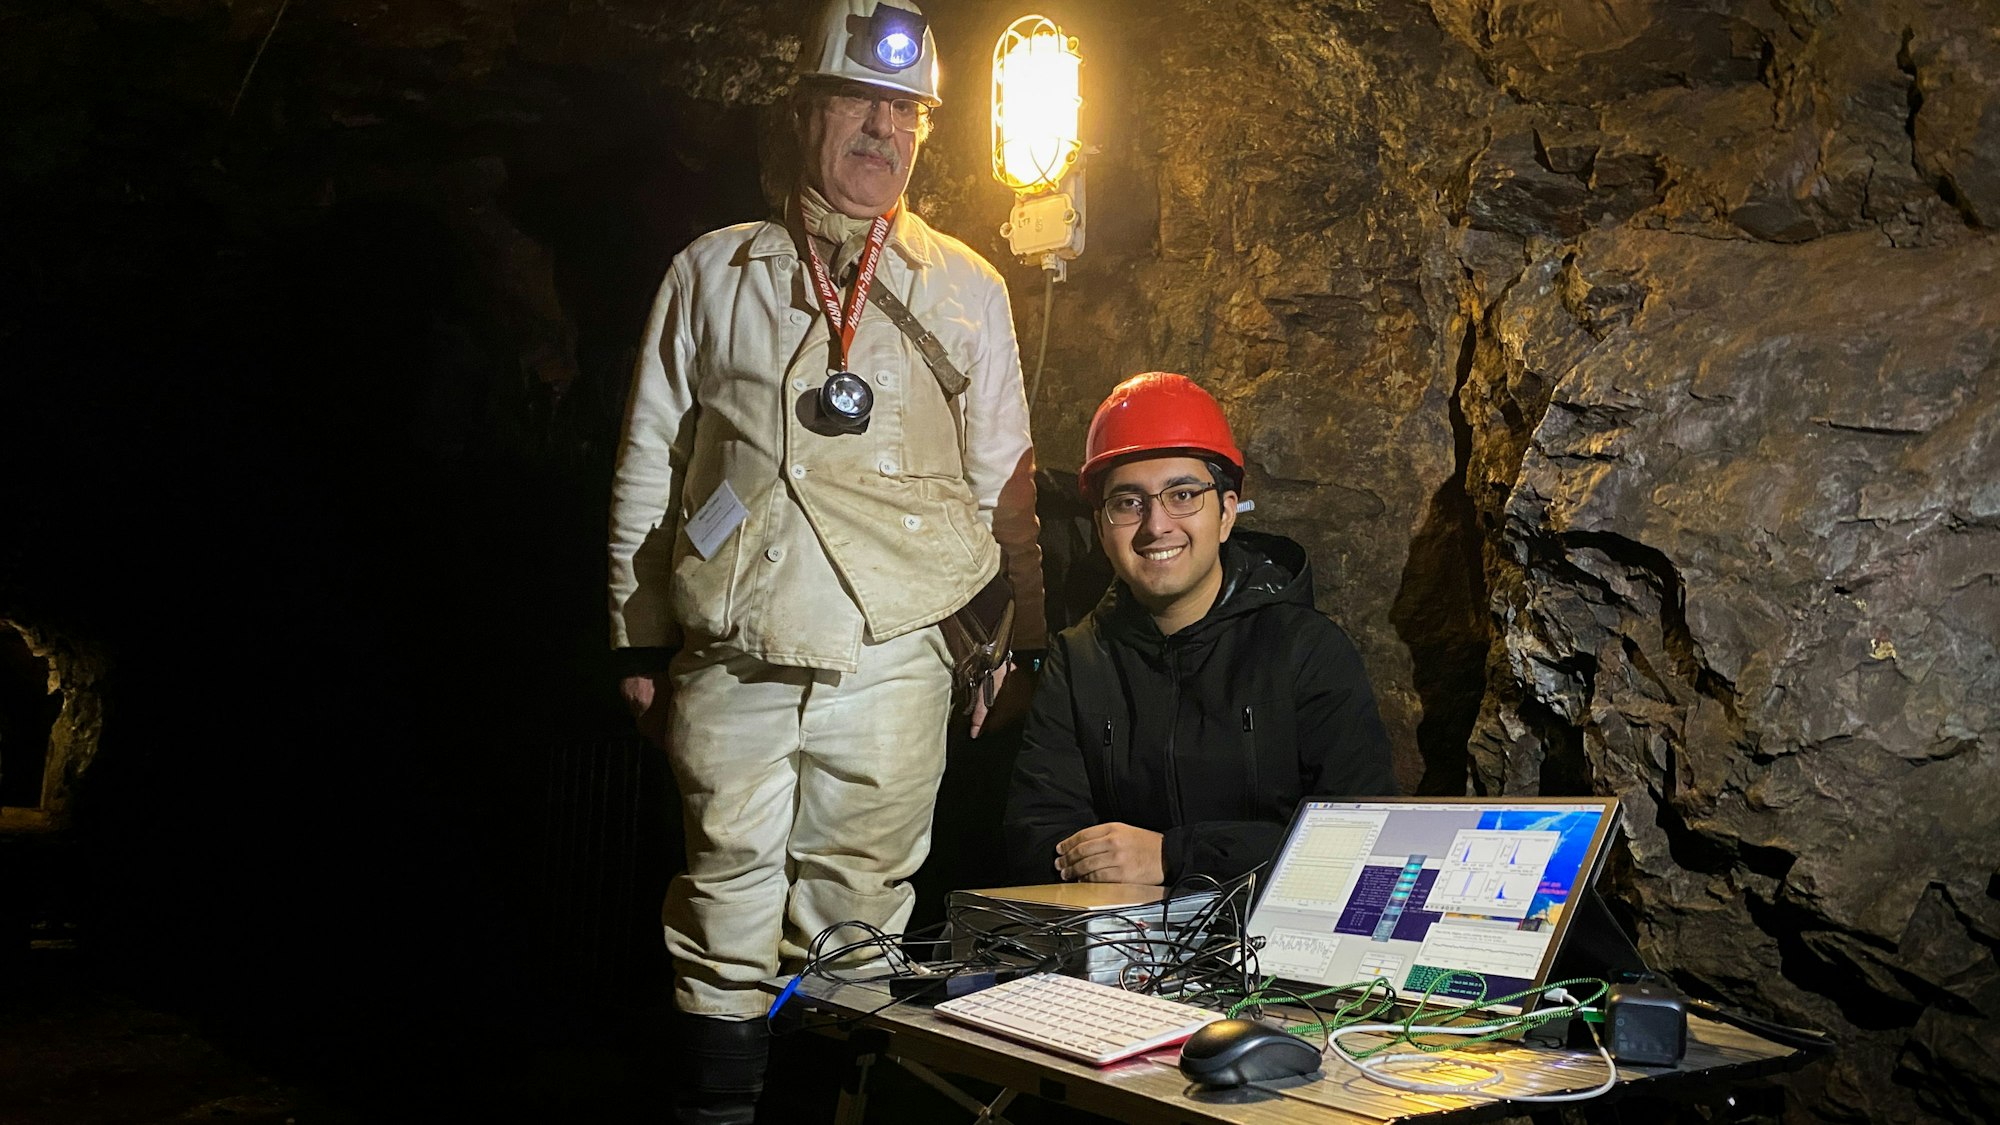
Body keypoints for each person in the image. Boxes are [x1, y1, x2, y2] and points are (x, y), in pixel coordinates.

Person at [606, 2, 1044, 1119]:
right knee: (722, 899)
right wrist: (639, 636)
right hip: (732, 637)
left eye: (904, 112)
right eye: (857, 101)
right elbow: (648, 462)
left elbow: (1007, 481)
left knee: (857, 916)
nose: (881, 128)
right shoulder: (712, 273)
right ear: (804, 114)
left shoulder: (968, 284)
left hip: (897, 646)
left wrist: (1009, 645)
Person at [1003, 372, 1394, 889]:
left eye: (1183, 495)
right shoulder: (1078, 663)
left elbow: (1363, 837)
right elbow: (1038, 836)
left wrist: (1173, 856)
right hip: (1124, 953)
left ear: (1226, 513)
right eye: (1128, 502)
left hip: (1274, 947)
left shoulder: (1305, 651)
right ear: (1101, 528)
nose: (1156, 525)